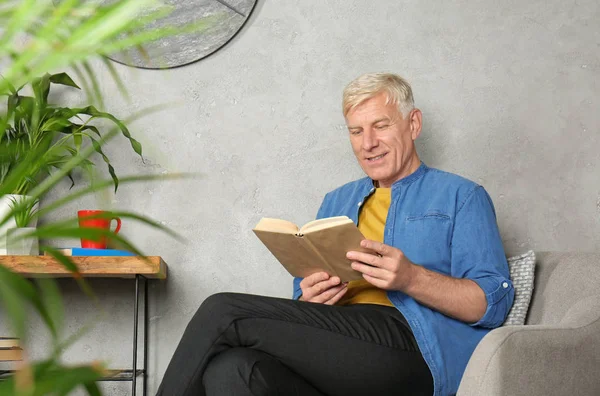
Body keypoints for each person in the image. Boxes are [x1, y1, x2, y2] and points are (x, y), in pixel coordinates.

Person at [156, 72, 514, 396]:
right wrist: (309, 299)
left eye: (381, 126)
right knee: (232, 369)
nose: (368, 143)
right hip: (341, 348)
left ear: (413, 124)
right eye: (356, 132)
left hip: (412, 350)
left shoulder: (461, 196)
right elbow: (305, 303)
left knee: (223, 311)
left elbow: (491, 305)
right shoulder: (336, 201)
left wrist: (411, 277)